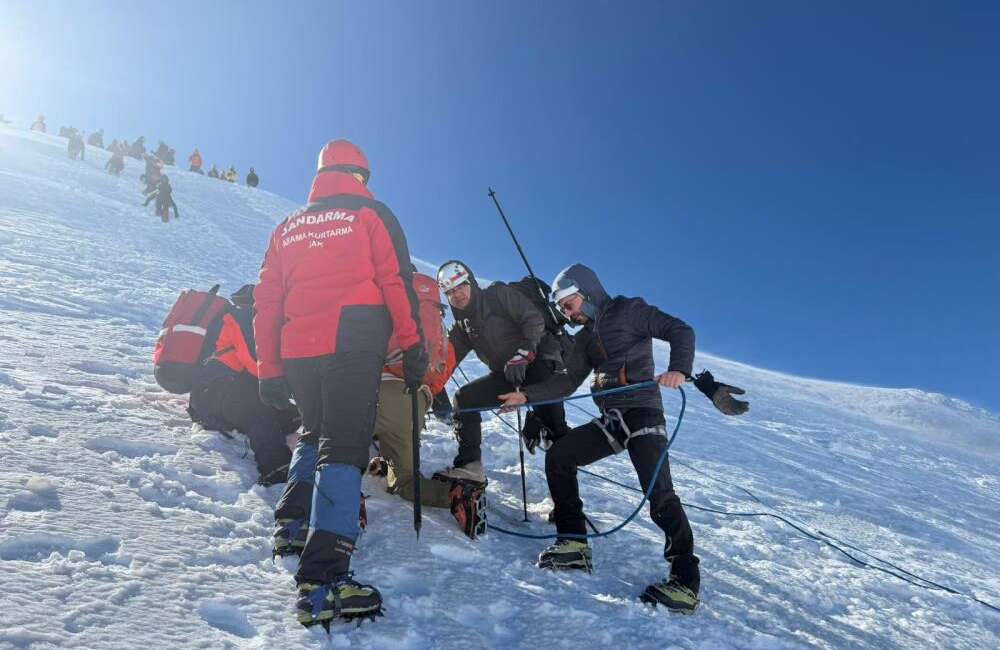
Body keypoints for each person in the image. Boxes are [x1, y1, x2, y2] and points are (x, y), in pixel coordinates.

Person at [499, 263, 747, 614]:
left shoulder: (629, 311)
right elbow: (567, 383)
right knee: (560, 457)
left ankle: (685, 583)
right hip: (612, 421)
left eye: (570, 305)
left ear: (586, 293)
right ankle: (573, 544)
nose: (568, 315)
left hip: (642, 413)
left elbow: (680, 330)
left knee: (659, 493)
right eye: (563, 309)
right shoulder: (585, 339)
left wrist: (679, 368)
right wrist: (527, 396)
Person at [254, 139, 427, 625]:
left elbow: (266, 302)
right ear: (360, 176)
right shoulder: (372, 216)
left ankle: (292, 521)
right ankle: (323, 581)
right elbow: (397, 281)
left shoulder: (287, 227)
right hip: (352, 340)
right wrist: (414, 347)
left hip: (298, 350)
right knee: (346, 447)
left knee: (315, 430)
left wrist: (269, 368)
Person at [433, 260, 569, 485]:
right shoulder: (463, 327)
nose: (457, 294)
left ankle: (569, 511)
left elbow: (533, 319)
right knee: (465, 398)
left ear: (472, 283)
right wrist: (429, 384)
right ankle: (470, 467)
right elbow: (447, 361)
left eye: (460, 286)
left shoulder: (498, 295)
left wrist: (523, 354)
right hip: (507, 374)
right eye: (450, 291)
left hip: (539, 364)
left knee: (556, 430)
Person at [188, 285, 299, 485]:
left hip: (224, 389)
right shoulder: (242, 317)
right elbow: (255, 363)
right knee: (258, 413)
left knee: (288, 413)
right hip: (214, 393)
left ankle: (279, 424)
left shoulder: (247, 317)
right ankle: (276, 467)